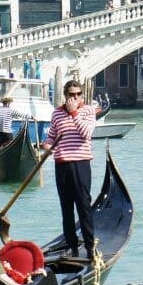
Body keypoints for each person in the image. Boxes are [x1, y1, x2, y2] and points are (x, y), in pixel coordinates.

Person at [43, 80, 97, 259]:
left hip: (81, 163)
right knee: (66, 208)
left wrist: (74, 113)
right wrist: (46, 146)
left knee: (84, 206)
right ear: (65, 96)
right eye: (72, 95)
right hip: (62, 165)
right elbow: (51, 137)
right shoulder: (57, 114)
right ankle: (72, 246)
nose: (75, 97)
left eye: (78, 94)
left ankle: (89, 246)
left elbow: (86, 133)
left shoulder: (88, 111)